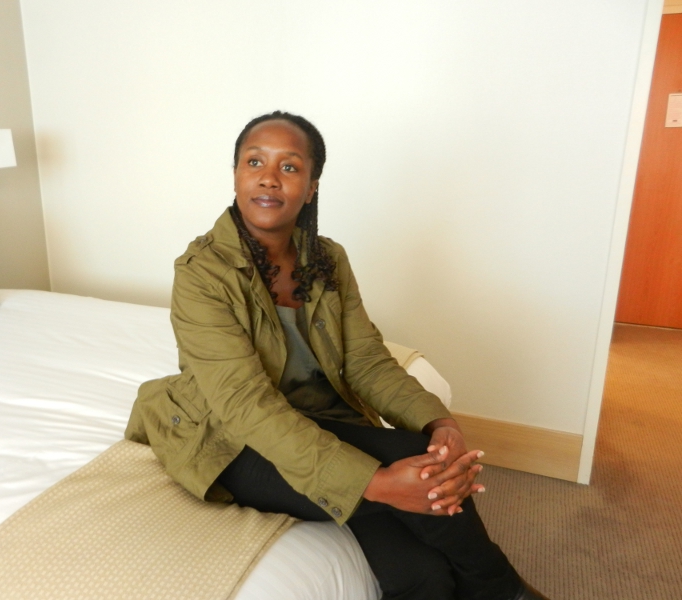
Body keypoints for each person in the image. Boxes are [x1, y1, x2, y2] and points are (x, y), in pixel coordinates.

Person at [126, 111, 549, 600]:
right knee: (412, 463)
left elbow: (367, 361)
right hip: (231, 440)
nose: (268, 177)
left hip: (316, 420)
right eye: (254, 162)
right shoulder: (201, 273)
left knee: (423, 575)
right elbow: (245, 406)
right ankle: (501, 588)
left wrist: (440, 423)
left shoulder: (327, 259)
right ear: (236, 175)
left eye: (289, 167)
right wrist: (378, 483)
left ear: (311, 188)